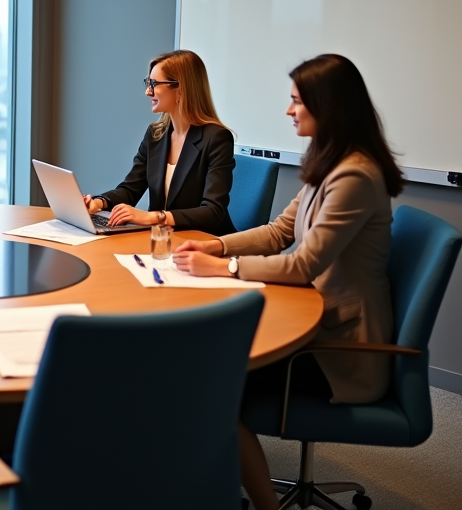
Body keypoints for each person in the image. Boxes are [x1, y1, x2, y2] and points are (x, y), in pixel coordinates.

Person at [171, 53, 404, 510]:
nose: (288, 110)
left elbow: (303, 265)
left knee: (212, 388)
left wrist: (226, 269)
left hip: (342, 348)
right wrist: (216, 247)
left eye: (297, 101)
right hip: (319, 323)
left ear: (328, 106)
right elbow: (280, 231)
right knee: (208, 372)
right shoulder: (331, 162)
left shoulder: (354, 175)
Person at [83, 49, 236, 235]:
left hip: (204, 242)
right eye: (148, 83)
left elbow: (213, 212)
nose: (148, 92)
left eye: (154, 84)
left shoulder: (217, 138)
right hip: (162, 239)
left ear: (180, 89)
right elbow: (131, 188)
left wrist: (154, 217)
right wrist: (98, 203)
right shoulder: (155, 135)